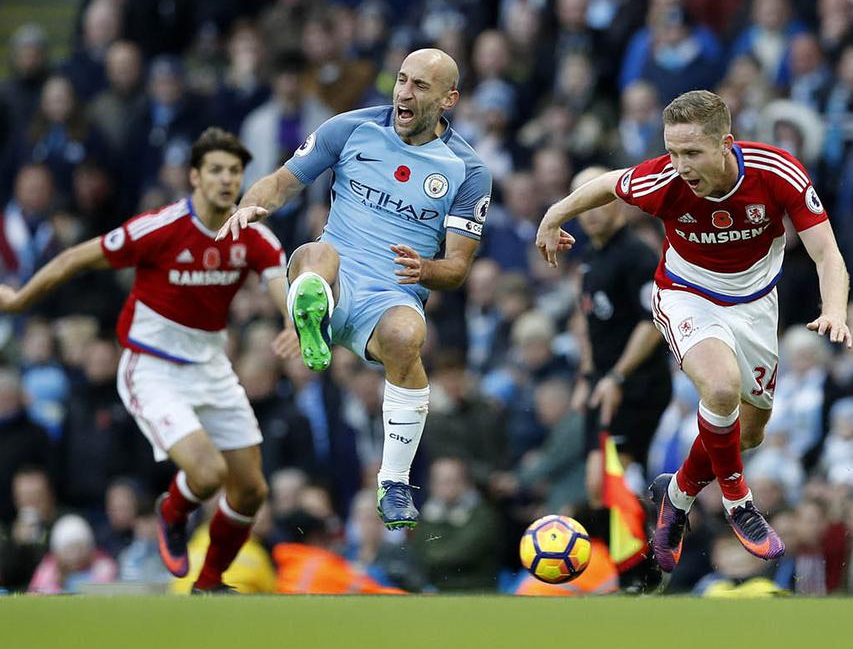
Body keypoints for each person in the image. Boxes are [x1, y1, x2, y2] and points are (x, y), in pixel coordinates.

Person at [536, 89, 852, 572]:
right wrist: (555, 213)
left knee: (749, 433)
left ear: (726, 143)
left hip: (755, 305)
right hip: (686, 293)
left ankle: (677, 495)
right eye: (673, 151)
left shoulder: (776, 172)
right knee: (721, 388)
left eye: (692, 153)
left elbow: (828, 253)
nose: (680, 164)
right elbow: (604, 185)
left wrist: (835, 310)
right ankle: (738, 501)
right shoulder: (662, 180)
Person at [0, 128, 294, 593]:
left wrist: (291, 322)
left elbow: (280, 279)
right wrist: (19, 301)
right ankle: (171, 511)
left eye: (234, 171)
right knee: (208, 473)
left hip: (212, 366)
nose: (226, 180)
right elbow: (76, 257)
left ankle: (210, 583)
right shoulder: (159, 227)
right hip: (152, 367)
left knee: (252, 489)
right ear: (194, 176)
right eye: (216, 170)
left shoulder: (251, 233)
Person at [216, 49, 492, 531]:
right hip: (333, 275)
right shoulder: (350, 129)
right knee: (317, 254)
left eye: (420, 86)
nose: (404, 92)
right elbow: (280, 183)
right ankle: (313, 317)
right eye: (401, 80)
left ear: (449, 99)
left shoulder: (468, 171)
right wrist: (247, 207)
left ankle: (394, 483)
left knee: (409, 337)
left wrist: (425, 269)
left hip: (390, 296)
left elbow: (457, 269)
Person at [570, 166, 673, 502]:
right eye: (583, 203)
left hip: (637, 384)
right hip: (602, 381)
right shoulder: (589, 257)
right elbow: (587, 318)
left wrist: (617, 376)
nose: (591, 212)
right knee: (596, 487)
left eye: (598, 200)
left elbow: (653, 321)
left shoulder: (637, 256)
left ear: (617, 200)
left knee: (617, 486)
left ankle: (649, 552)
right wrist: (587, 374)